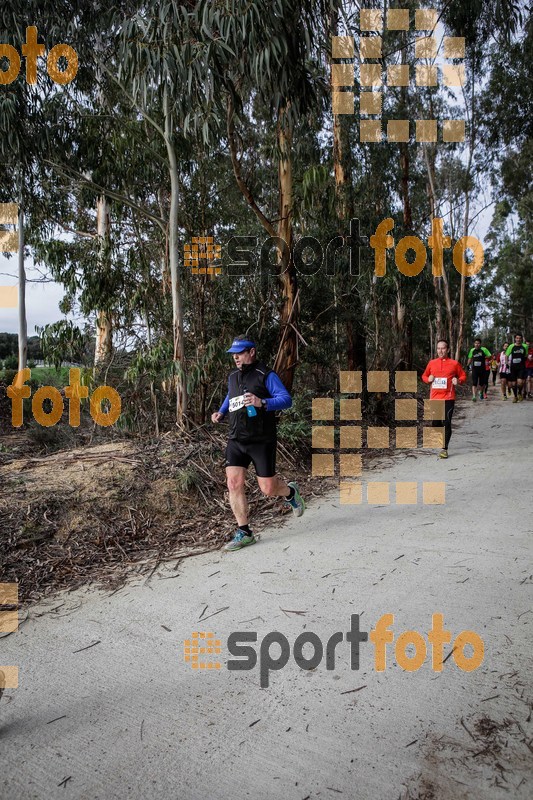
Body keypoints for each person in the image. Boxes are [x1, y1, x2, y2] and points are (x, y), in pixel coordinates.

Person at [211, 335, 305, 552]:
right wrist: (221, 412)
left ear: (251, 352)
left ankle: (290, 493)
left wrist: (261, 402)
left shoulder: (266, 375)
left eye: (240, 352)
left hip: (261, 440)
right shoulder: (233, 376)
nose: (236, 357)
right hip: (236, 439)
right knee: (233, 483)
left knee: (268, 488)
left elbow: (286, 399)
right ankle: (244, 532)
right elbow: (230, 395)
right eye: (233, 354)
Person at [421, 339, 467, 458]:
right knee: (435, 423)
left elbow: (463, 375)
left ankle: (444, 449)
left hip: (448, 397)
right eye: (438, 348)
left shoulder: (454, 363)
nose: (440, 351)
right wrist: (428, 379)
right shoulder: (432, 363)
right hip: (435, 397)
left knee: (447, 422)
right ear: (436, 350)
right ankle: (442, 436)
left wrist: (459, 380)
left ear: (448, 350)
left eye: (443, 348)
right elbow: (424, 376)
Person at [506, 334, 528, 402]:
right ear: (515, 339)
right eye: (517, 338)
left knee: (520, 382)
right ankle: (515, 396)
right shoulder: (511, 346)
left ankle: (519, 393)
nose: (518, 340)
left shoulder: (525, 346)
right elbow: (507, 355)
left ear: (521, 339)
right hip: (513, 367)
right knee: (513, 384)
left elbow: (526, 355)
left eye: (520, 338)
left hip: (521, 367)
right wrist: (507, 363)